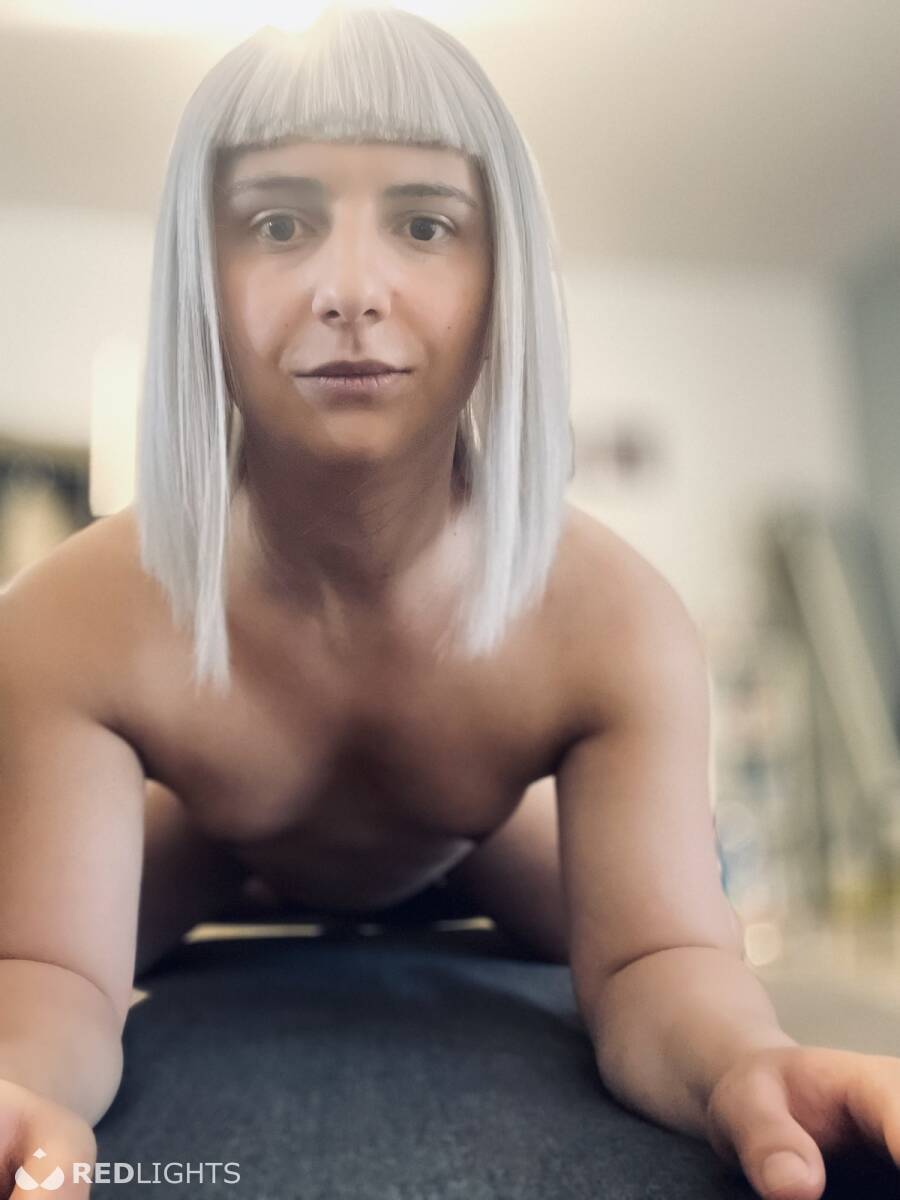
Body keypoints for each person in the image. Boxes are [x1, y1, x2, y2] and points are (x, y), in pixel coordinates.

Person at [0, 5, 897, 1198]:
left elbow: (661, 958)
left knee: (653, 936)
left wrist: (749, 1063)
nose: (349, 289)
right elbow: (49, 977)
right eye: (278, 224)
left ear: (502, 282)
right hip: (216, 847)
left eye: (424, 225)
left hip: (476, 847)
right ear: (197, 282)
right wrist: (22, 1090)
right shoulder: (67, 621)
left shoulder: (614, 621)